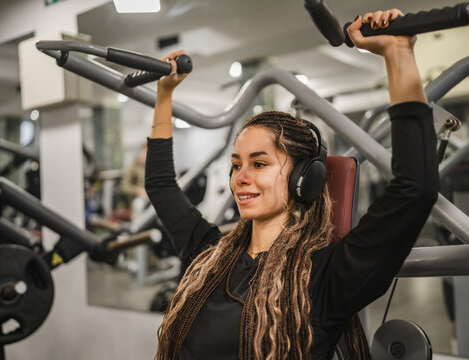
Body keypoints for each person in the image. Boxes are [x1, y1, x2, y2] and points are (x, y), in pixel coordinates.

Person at [145, 9, 439, 360]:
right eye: (236, 165)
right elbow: (161, 186)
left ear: (304, 178)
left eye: (259, 163)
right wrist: (164, 96)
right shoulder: (210, 256)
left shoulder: (326, 277)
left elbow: (415, 189)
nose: (241, 176)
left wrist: (398, 53)